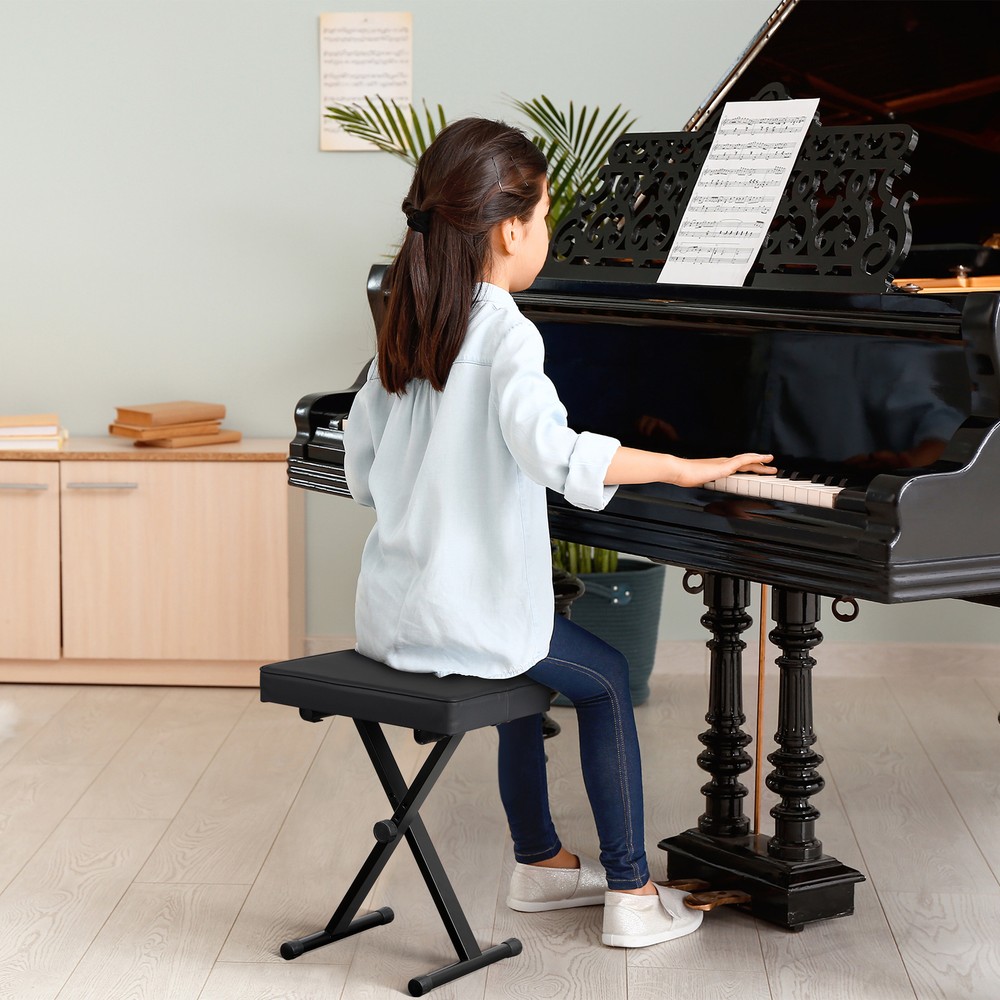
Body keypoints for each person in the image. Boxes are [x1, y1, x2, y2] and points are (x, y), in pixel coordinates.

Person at [344, 117, 776, 949]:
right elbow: (554, 452)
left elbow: (364, 473)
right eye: (545, 220)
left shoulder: (407, 321)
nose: (545, 236)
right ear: (511, 229)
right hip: (465, 622)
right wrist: (684, 468)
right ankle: (632, 893)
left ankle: (540, 864)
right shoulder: (505, 330)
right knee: (606, 679)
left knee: (535, 654)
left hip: (393, 616)